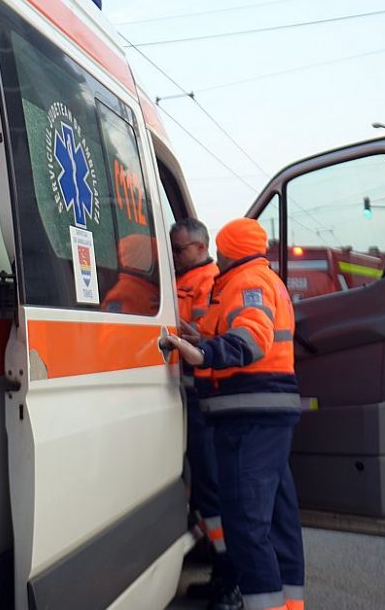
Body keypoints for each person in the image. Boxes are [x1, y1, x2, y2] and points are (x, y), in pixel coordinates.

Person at [166, 218, 304, 610]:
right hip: (261, 414)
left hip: (250, 417)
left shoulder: (247, 282)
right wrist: (203, 338)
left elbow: (253, 336)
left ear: (227, 249)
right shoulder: (256, 279)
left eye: (221, 248)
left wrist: (204, 352)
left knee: (246, 527)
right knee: (277, 524)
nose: (218, 254)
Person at [169, 218, 225, 598]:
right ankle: (222, 571)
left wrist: (189, 333)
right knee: (202, 490)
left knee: (212, 489)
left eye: (179, 250)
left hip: (203, 401)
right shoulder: (178, 280)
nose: (174, 256)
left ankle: (228, 576)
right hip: (182, 398)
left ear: (201, 248)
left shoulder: (212, 283)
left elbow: (212, 337)